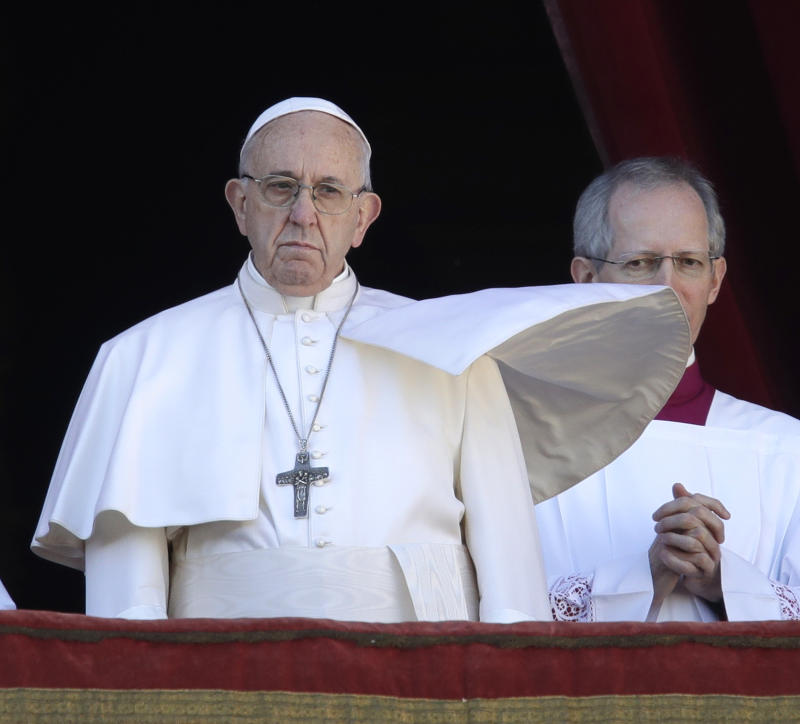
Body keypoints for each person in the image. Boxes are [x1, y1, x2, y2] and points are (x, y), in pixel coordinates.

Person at [32, 100, 689, 623]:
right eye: (280, 187)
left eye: (328, 192)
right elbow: (127, 602)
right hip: (222, 678)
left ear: (363, 215)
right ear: (238, 203)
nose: (302, 215)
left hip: (424, 670)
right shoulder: (148, 357)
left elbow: (509, 569)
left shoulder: (449, 343)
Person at [536, 157, 800, 622]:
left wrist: (724, 582)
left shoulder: (795, 454)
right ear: (585, 279)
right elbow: (479, 616)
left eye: (688, 263)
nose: (668, 288)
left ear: (715, 280)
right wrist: (640, 576)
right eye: (641, 263)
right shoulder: (519, 444)